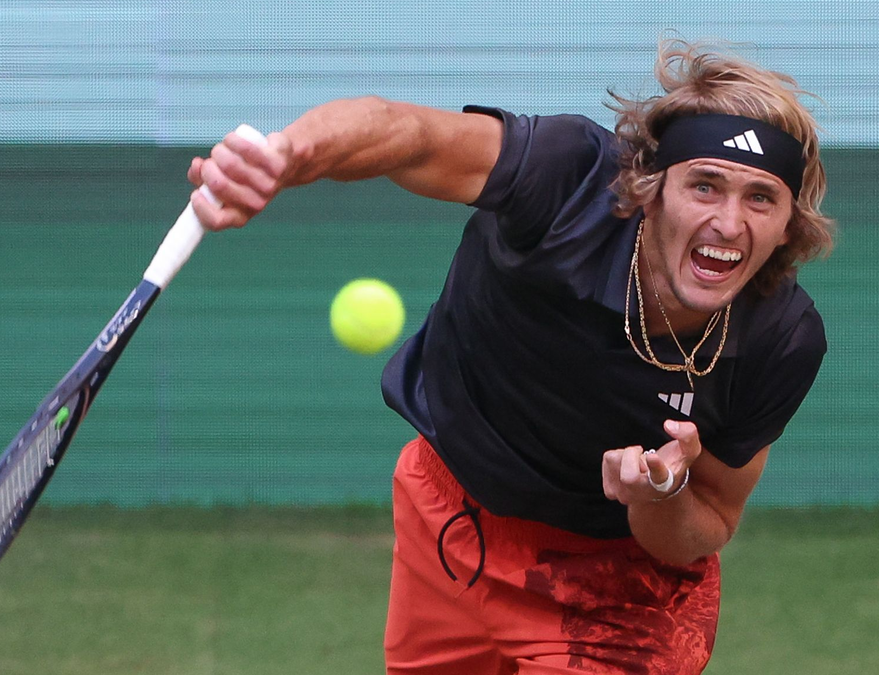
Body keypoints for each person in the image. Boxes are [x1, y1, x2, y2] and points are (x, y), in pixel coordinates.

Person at [187, 38, 834, 675]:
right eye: (705, 185)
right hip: (449, 513)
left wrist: (661, 495)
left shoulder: (781, 337)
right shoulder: (565, 182)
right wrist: (283, 156)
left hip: (616, 589)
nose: (728, 222)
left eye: (760, 198)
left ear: (788, 223)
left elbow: (711, 518)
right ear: (652, 187)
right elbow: (405, 131)